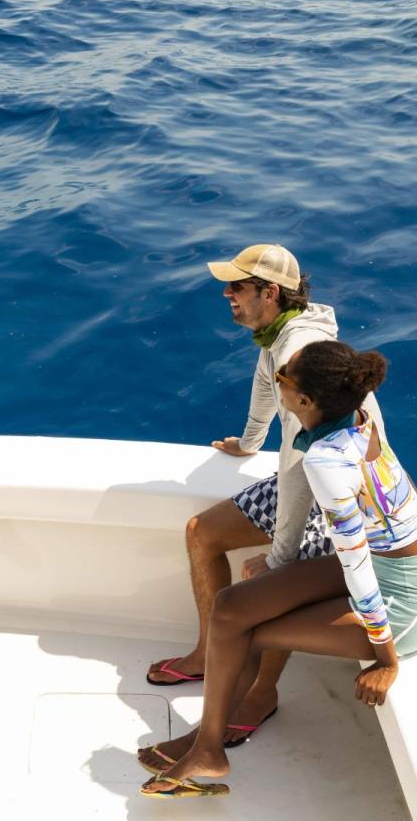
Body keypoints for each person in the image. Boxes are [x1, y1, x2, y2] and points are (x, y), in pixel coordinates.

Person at [140, 340, 417, 798]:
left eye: (283, 379)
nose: (279, 383)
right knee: (232, 607)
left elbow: (357, 565)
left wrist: (385, 662)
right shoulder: (357, 410)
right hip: (385, 561)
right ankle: (209, 743)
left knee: (250, 627)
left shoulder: (328, 461)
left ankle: (207, 743)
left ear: (305, 402)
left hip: (398, 600)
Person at [143, 243, 384, 757]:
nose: (226, 295)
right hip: (308, 474)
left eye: (237, 286)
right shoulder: (276, 335)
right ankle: (208, 654)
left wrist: (281, 555)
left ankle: (261, 694)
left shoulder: (299, 348)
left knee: (266, 581)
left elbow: (302, 467)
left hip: (337, 491)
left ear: (269, 292)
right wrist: (250, 444)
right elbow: (265, 390)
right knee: (201, 533)